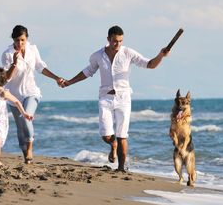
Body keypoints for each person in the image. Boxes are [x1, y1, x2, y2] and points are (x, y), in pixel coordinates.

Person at [61, 25, 169, 172]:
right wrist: (69, 82)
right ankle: (112, 145)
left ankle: (121, 168)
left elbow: (150, 64)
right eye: (114, 41)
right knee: (106, 135)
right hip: (105, 98)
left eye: (120, 41)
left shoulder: (128, 53)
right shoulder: (97, 56)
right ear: (108, 39)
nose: (117, 44)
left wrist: (161, 55)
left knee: (122, 135)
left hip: (123, 98)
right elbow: (87, 72)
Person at [2, 25, 64, 164]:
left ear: (27, 38)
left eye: (23, 40)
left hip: (31, 92)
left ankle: (30, 147)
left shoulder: (32, 49)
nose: (20, 43)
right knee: (20, 126)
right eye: (17, 40)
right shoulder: (7, 54)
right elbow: (6, 78)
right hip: (14, 96)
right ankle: (26, 156)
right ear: (13, 39)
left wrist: (56, 78)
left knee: (26, 118)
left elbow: (40, 67)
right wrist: (14, 63)